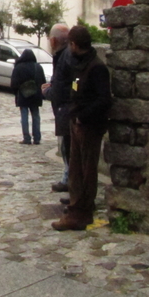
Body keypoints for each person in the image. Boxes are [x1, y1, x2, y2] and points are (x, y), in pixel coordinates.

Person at [52, 25, 112, 232]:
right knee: (76, 170)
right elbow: (75, 89)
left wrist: (82, 116)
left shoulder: (96, 68)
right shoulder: (79, 65)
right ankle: (76, 208)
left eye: (71, 44)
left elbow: (104, 100)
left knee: (86, 171)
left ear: (75, 45)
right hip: (77, 122)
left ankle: (82, 212)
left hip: (89, 126)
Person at [42, 24, 73, 193]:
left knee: (68, 149)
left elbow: (65, 88)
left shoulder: (64, 58)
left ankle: (70, 182)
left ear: (53, 41)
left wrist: (48, 91)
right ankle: (68, 180)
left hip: (66, 110)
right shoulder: (66, 55)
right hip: (67, 109)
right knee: (67, 148)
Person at [10, 49, 46, 145]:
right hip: (36, 95)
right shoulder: (38, 67)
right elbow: (43, 81)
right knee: (36, 116)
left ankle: (26, 138)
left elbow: (13, 83)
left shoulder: (18, 67)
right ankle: (37, 138)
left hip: (23, 94)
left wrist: (16, 93)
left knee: (24, 116)